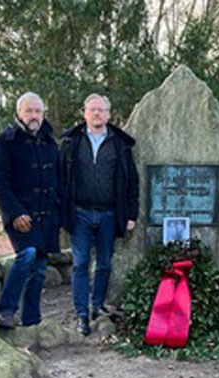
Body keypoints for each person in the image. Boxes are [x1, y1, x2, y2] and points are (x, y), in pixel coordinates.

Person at [61, 94, 139, 336]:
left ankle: (97, 306)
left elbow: (131, 183)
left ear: (108, 114)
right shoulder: (71, 142)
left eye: (101, 110)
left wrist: (131, 214)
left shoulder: (119, 144)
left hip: (109, 214)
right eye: (93, 110)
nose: (97, 114)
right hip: (80, 213)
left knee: (104, 263)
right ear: (84, 113)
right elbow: (60, 178)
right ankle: (82, 314)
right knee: (81, 264)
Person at [0, 91, 61, 329]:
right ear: (18, 113)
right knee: (27, 254)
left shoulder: (51, 143)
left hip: (46, 216)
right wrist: (15, 213)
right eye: (29, 111)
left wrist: (58, 213)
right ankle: (6, 309)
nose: (33, 115)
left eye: (38, 111)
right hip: (19, 214)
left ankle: (32, 319)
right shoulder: (5, 142)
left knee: (39, 268)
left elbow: (59, 181)